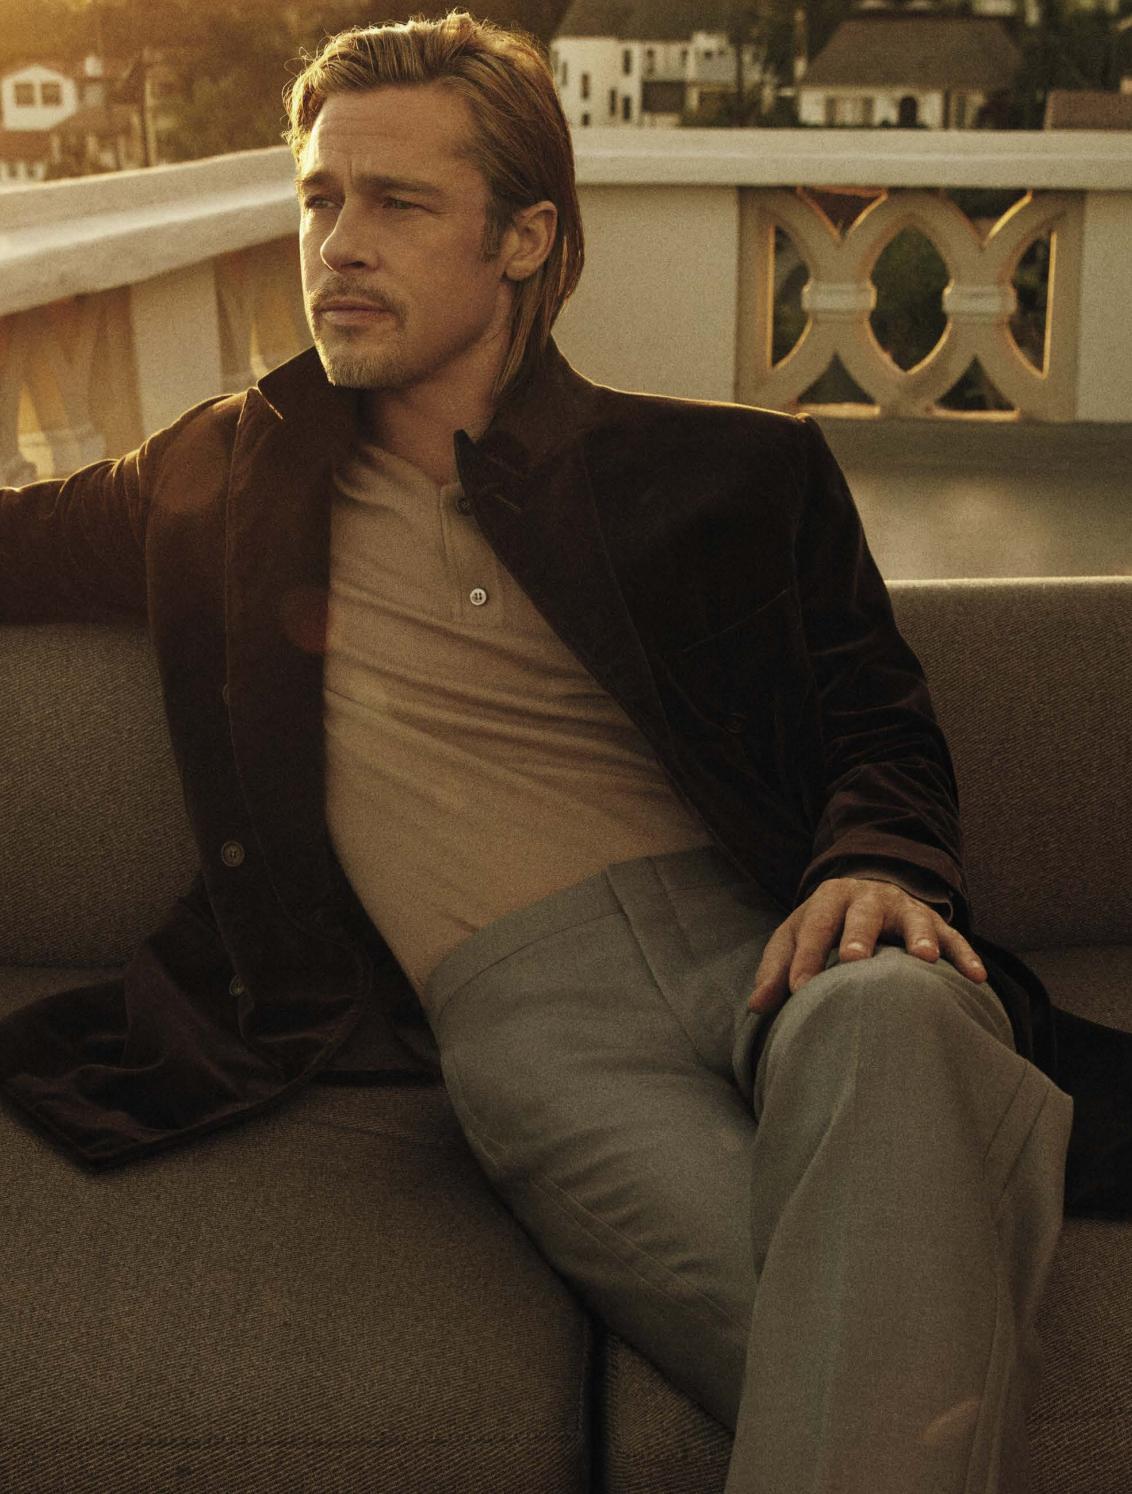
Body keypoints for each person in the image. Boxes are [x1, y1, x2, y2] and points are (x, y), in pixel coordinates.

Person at [0, 9, 1118, 1490]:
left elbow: (875, 714)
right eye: (320, 198)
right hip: (535, 1018)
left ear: (524, 240)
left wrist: (880, 864)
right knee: (871, 1359)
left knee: (901, 1027)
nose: (339, 244)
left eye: (399, 203)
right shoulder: (220, 480)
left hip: (786, 939)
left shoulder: (733, 474)